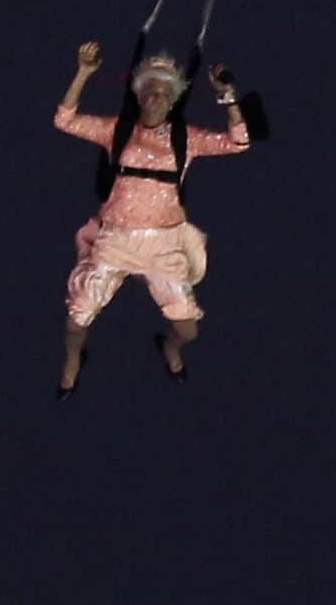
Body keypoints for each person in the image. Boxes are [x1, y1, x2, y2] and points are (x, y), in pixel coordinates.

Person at [51, 39, 269, 396]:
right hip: (115, 240)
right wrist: (84, 73)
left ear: (173, 100)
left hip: (163, 245)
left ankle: (169, 349)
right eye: (150, 91)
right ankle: (72, 362)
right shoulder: (116, 130)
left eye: (164, 93)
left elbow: (238, 142)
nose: (155, 98)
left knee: (188, 331)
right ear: (139, 95)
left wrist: (227, 95)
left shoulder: (187, 139)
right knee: (76, 320)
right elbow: (65, 120)